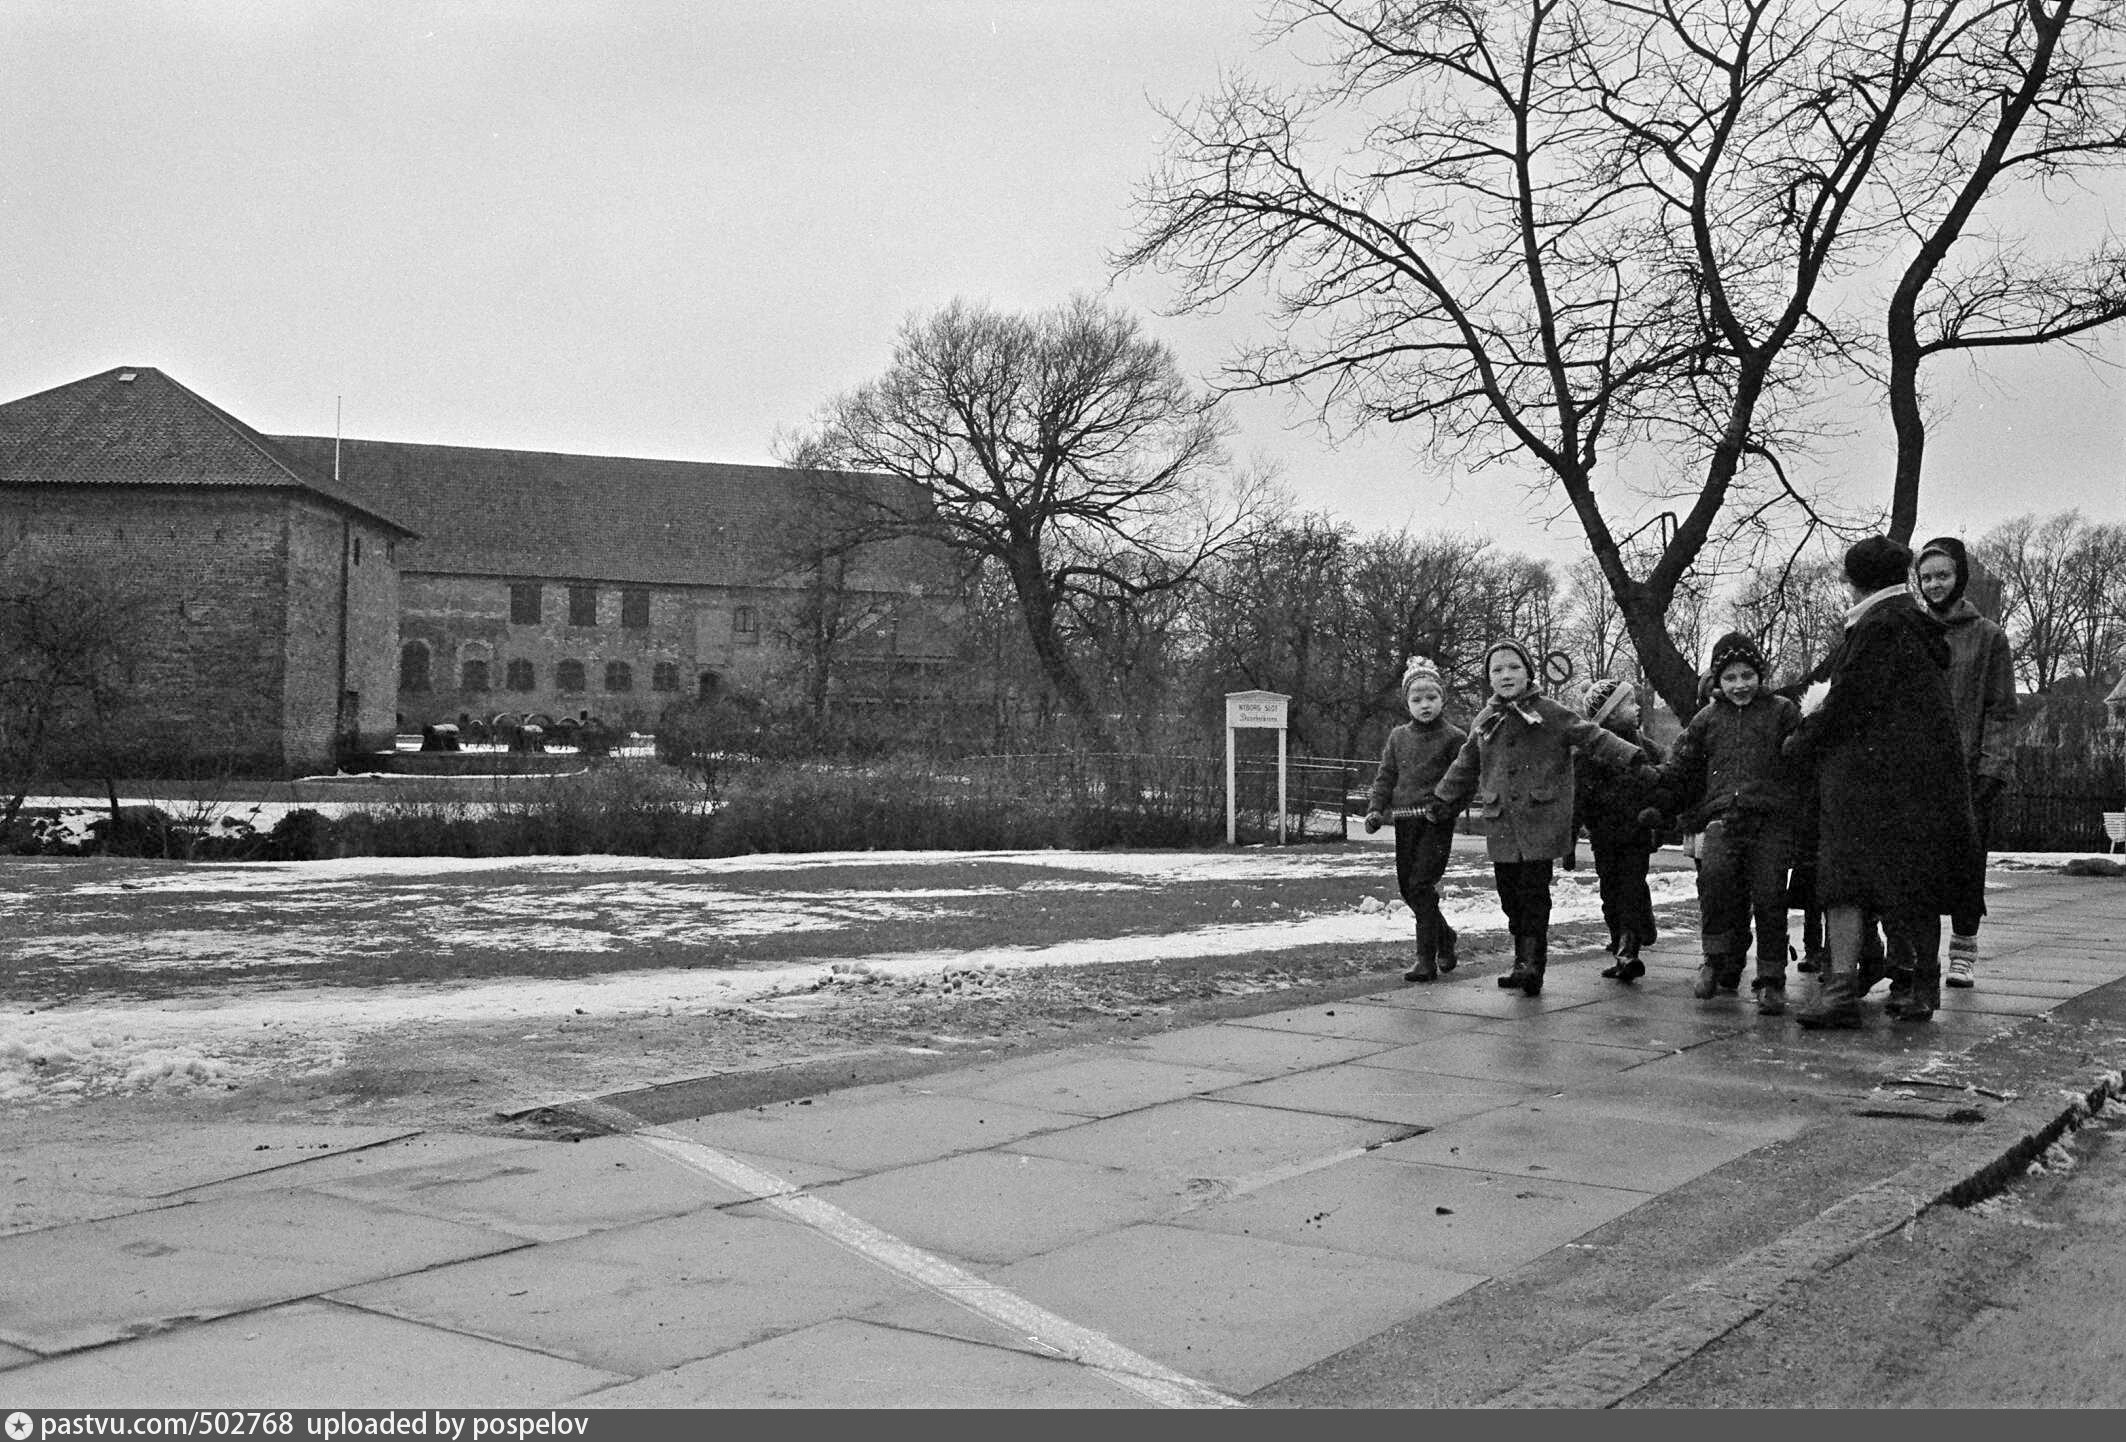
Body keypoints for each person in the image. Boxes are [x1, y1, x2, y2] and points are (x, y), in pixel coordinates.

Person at [1786, 536, 1982, 1028]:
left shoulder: (1879, 625)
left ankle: (1841, 991)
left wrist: (1798, 741)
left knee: (1843, 882)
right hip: (1910, 781)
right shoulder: (1911, 623)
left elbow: (1848, 700)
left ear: (1856, 581)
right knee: (1912, 883)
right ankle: (1919, 986)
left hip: (1868, 783)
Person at [1425, 639, 1649, 997]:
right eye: (1497, 670)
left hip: (1539, 823)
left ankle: (1533, 963)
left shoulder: (1550, 712)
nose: (1506, 675)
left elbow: (1590, 735)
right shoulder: (1485, 720)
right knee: (1509, 896)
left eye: (1514, 667)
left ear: (1528, 672)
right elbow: (1465, 764)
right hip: (1501, 825)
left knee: (1533, 894)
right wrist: (1442, 799)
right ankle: (1521, 960)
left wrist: (1630, 754)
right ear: (1489, 678)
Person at [1653, 633, 1802, 1014]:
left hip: (1769, 819)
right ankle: (1715, 959)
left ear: (1760, 675)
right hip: (1722, 817)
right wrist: (1658, 793)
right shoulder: (1708, 718)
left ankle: (1771, 978)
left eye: (1747, 675)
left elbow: (1800, 763)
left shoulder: (1781, 711)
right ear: (1717, 681)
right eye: (1730, 678)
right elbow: (1682, 766)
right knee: (1714, 883)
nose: (1739, 685)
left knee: (1770, 897)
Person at [1914, 536, 2018, 989]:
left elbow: (2001, 709)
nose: (1934, 585)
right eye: (1926, 577)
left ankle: (1962, 952)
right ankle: (1920, 958)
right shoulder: (1912, 629)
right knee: (1918, 868)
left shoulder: (1989, 636)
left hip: (1969, 769)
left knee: (1966, 866)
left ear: (1960, 577)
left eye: (1943, 575)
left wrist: (1992, 766)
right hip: (1919, 769)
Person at [1365, 657, 1470, 983]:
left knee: (1421, 885)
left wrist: (1447, 809)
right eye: (1417, 699)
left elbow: (1466, 781)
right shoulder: (1398, 737)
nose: (1425, 705)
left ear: (1442, 699)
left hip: (1436, 822)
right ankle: (1445, 937)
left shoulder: (1454, 738)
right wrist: (1375, 808)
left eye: (1431, 697)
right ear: (1407, 703)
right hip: (1405, 822)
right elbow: (1386, 776)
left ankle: (1426, 959)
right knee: (1408, 889)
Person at [1571, 677, 1665, 983]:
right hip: (1603, 836)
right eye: (1629, 703)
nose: (1637, 708)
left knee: (1631, 888)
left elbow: (1661, 787)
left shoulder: (1647, 748)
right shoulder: (1589, 754)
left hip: (1636, 834)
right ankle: (1622, 941)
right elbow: (1577, 798)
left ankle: (1628, 951)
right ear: (1609, 714)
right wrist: (1569, 840)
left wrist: (1659, 821)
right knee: (1610, 892)